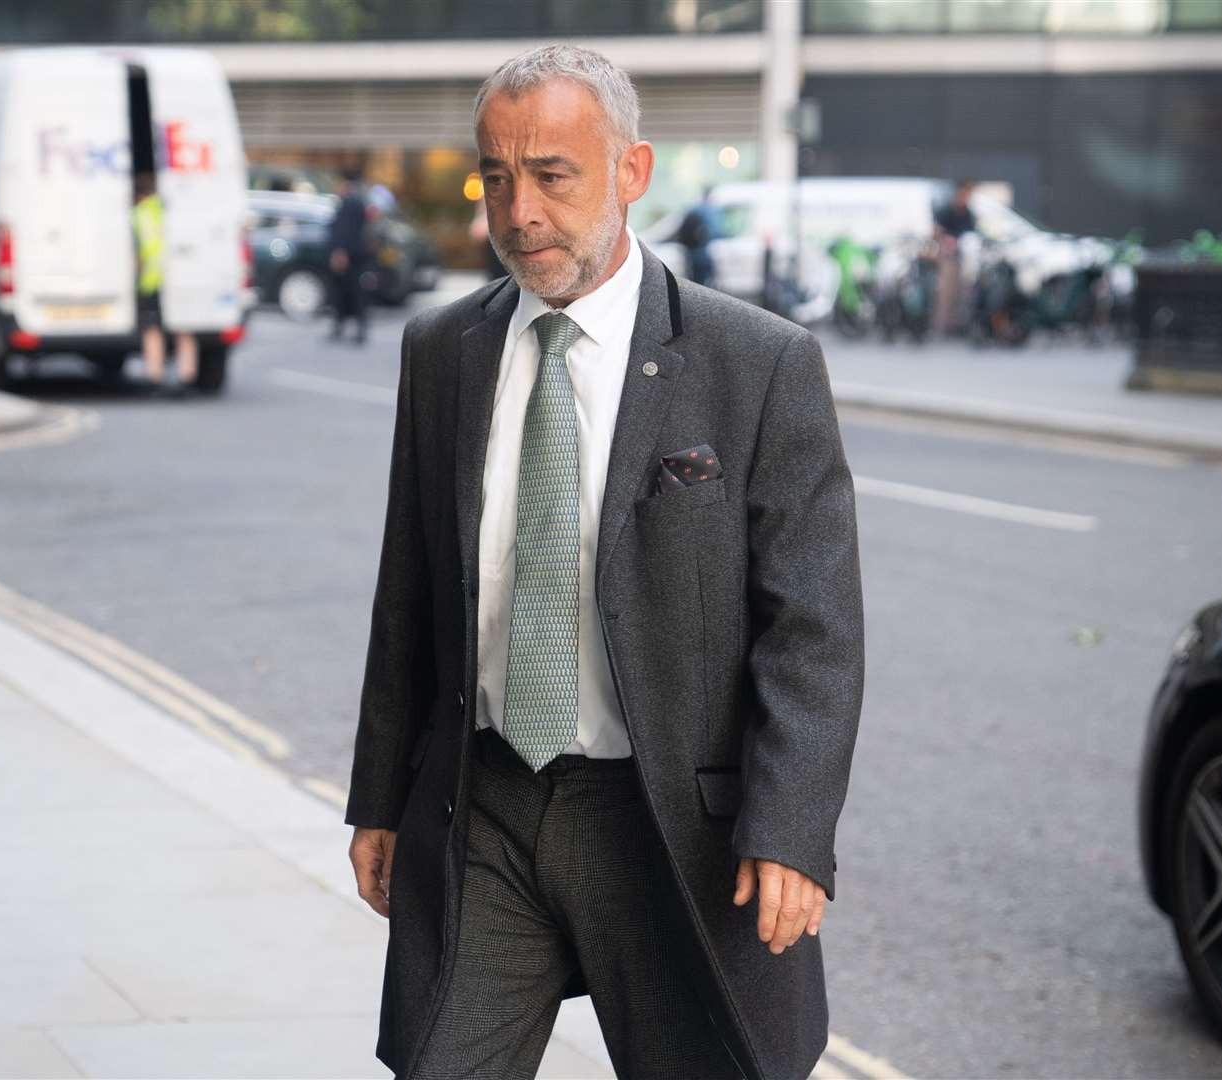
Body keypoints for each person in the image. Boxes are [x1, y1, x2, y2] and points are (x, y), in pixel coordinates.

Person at [344, 44, 864, 1080]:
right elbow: (410, 593)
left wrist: (792, 828)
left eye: (551, 175)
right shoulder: (442, 351)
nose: (518, 210)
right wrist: (379, 795)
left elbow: (813, 627)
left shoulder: (757, 364)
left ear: (632, 173)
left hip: (666, 824)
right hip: (484, 802)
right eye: (494, 177)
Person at [131, 172, 197, 389]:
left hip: (152, 279)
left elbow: (138, 252)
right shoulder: (177, 210)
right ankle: (186, 375)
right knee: (183, 327)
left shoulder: (139, 213)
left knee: (152, 329)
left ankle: (155, 376)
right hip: (182, 277)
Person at [327, 166, 373, 343]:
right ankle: (350, 328)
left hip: (351, 257)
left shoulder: (350, 203)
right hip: (356, 256)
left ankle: (350, 328)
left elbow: (345, 231)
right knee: (352, 293)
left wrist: (340, 252)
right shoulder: (357, 202)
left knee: (350, 293)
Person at [932, 178, 978, 336]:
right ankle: (942, 327)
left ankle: (958, 325)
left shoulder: (969, 213)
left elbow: (973, 234)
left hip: (965, 257)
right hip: (948, 257)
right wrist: (946, 242)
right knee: (947, 291)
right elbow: (936, 232)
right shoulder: (947, 210)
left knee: (964, 291)